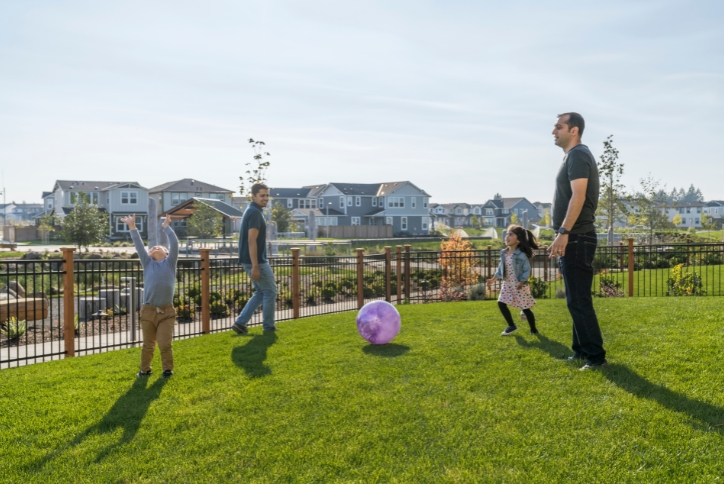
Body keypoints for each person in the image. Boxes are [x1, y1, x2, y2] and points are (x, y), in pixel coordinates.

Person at [548, 112, 607, 370]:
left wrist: (563, 232)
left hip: (576, 237)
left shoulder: (578, 155)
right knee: (574, 297)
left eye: (558, 126)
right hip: (574, 237)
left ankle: (596, 357)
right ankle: (581, 351)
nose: (553, 131)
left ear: (574, 130)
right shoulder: (572, 156)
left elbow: (579, 196)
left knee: (579, 299)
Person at [120, 213, 179, 378]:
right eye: (152, 248)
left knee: (165, 343)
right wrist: (132, 226)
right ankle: (144, 370)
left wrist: (166, 227)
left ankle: (167, 370)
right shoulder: (147, 263)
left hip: (166, 312)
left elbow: (174, 243)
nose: (154, 247)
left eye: (159, 247)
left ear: (167, 253)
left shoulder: (170, 263)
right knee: (148, 344)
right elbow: (139, 245)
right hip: (148, 311)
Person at [231, 183, 278, 335]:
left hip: (249, 259)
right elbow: (251, 240)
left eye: (267, 195)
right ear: (253, 196)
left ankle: (240, 323)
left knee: (260, 292)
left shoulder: (252, 210)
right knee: (270, 291)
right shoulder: (255, 213)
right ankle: (268, 327)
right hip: (255, 261)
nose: (265, 198)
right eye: (262, 195)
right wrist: (255, 266)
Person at [487, 225, 539, 336]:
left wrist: (522, 281)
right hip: (507, 284)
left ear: (519, 239)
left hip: (519, 285)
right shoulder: (504, 254)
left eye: (511, 234)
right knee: (501, 303)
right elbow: (501, 269)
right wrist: (493, 279)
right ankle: (511, 325)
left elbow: (527, 270)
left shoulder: (522, 255)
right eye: (507, 234)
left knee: (525, 308)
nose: (507, 236)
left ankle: (534, 330)